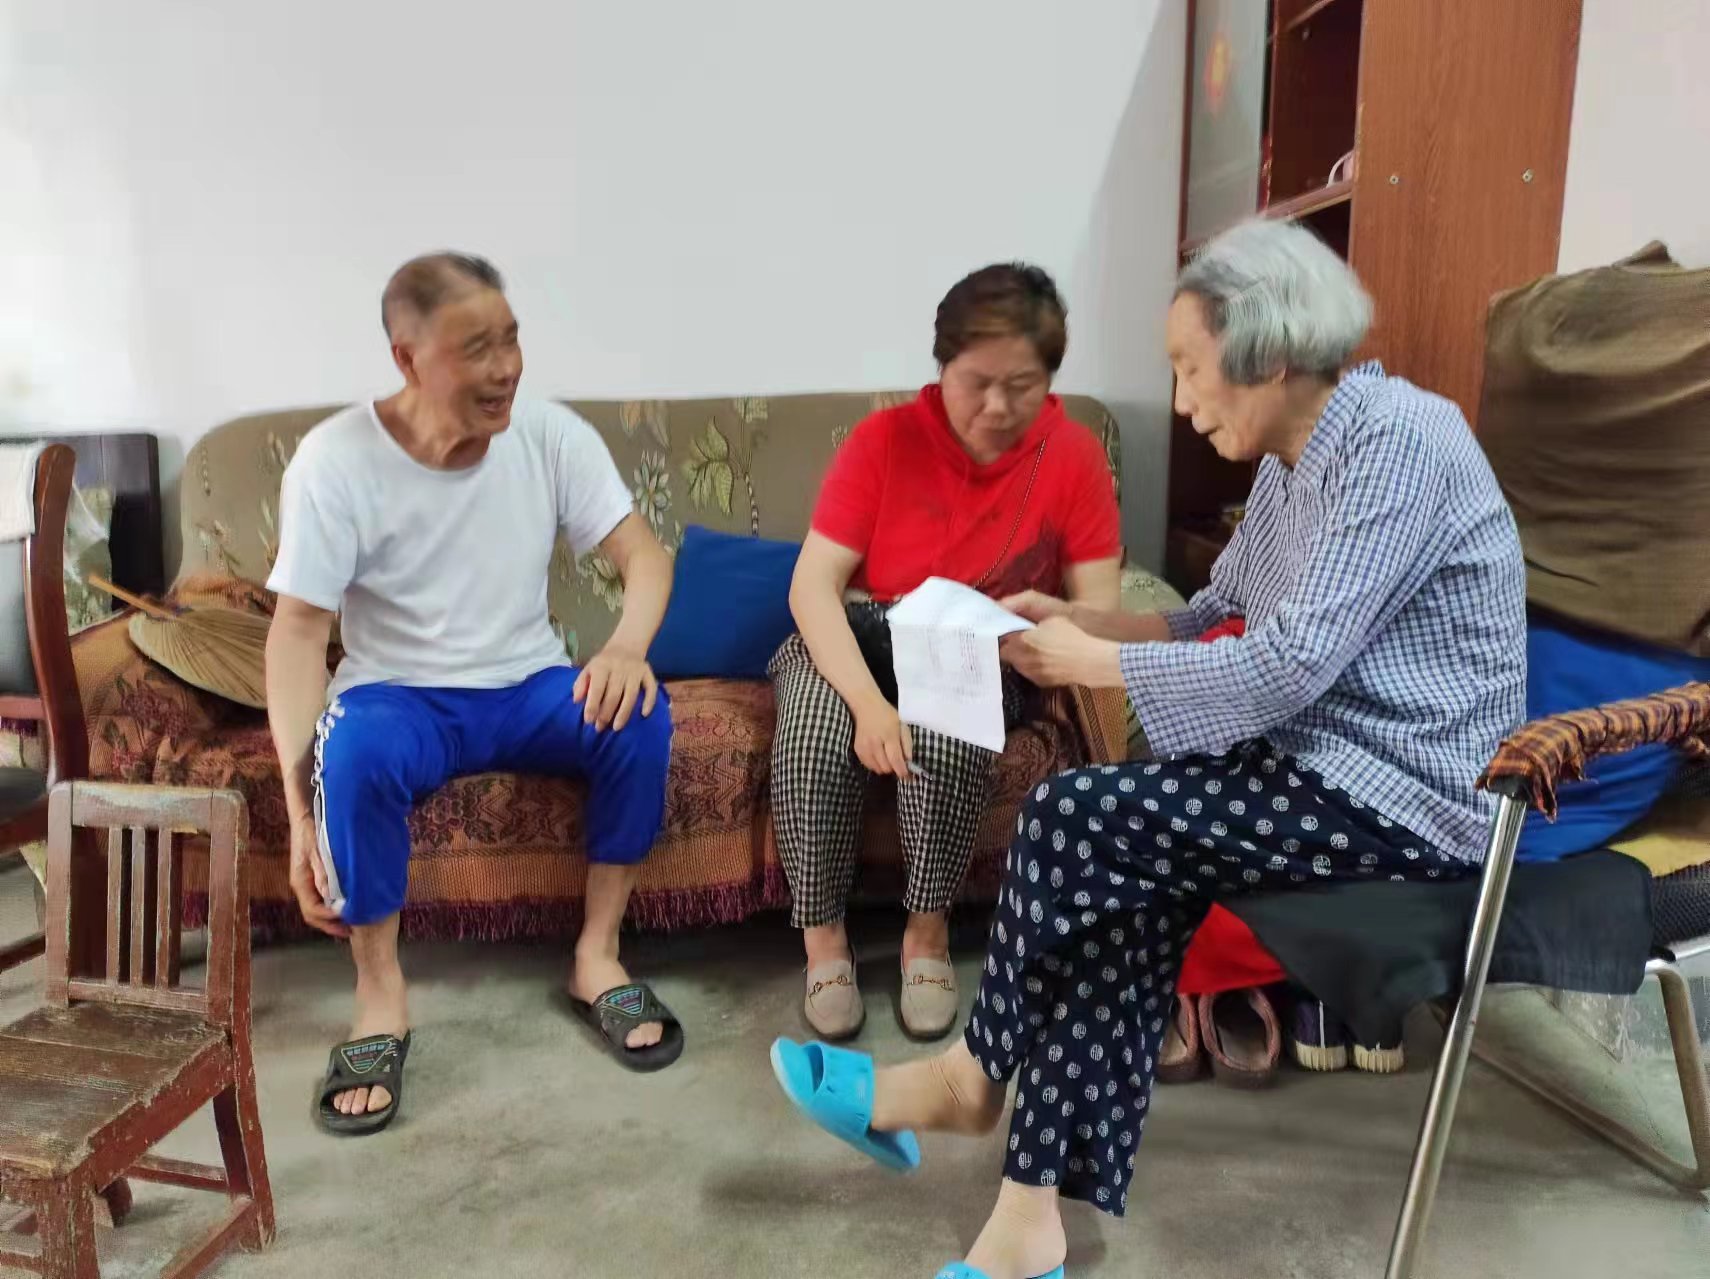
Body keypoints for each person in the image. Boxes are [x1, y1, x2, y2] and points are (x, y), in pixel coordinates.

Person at [769, 219, 1527, 1279]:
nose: (1179, 400)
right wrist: (1081, 622)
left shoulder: (1401, 442)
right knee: (1111, 871)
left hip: (1409, 795)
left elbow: (1288, 664)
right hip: (1317, 767)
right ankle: (1027, 1215)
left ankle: (971, 1085)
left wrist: (1093, 662)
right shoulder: (1293, 464)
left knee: (1077, 818)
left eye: (1190, 367)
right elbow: (1209, 615)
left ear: (1268, 351)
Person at [266, 252, 681, 1136]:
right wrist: (300, 813)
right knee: (355, 750)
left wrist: (624, 647)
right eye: (477, 349)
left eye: (512, 339)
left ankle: (597, 956)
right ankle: (380, 997)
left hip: (526, 683)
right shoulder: (335, 461)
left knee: (639, 714)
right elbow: (297, 633)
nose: (506, 368)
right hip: (399, 697)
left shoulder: (551, 436)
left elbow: (644, 555)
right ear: (407, 358)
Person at [771, 263, 1122, 1042]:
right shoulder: (883, 440)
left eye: (1021, 386)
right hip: (859, 631)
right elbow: (812, 587)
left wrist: (1050, 629)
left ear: (1051, 378)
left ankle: (925, 936)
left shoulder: (1073, 457)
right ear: (941, 368)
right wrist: (869, 705)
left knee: (949, 734)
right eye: (976, 383)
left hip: (974, 646)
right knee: (814, 736)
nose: (997, 407)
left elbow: (1102, 609)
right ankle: (824, 942)